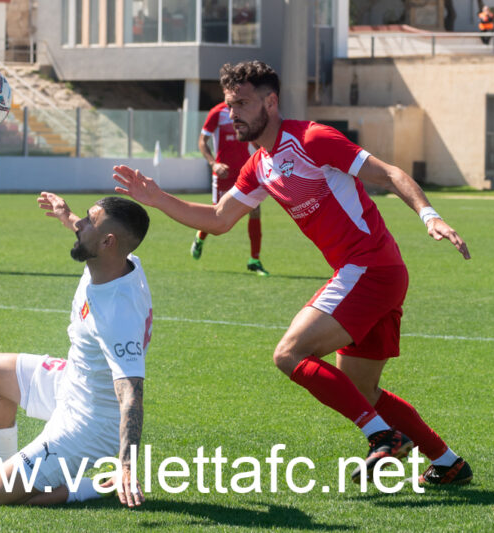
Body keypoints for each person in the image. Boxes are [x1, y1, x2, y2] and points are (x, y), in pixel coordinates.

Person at [112, 61, 474, 486]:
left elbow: (389, 174)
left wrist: (429, 215)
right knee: (363, 391)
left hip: (370, 269)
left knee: (288, 354)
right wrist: (156, 197)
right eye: (229, 105)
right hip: (372, 273)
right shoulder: (259, 165)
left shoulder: (313, 138)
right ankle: (447, 462)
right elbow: (217, 219)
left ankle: (381, 436)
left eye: (243, 103)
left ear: (271, 101)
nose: (233, 114)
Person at [0, 193, 151, 507]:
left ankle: (99, 484)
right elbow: (95, 233)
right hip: (72, 380)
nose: (81, 225)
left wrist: (127, 464)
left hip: (91, 421)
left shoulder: (118, 311)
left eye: (89, 221)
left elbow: (131, 394)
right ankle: (2, 466)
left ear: (108, 242)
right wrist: (67, 216)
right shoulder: (118, 261)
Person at [195, 101, 268, 276]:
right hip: (223, 173)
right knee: (216, 216)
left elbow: (255, 140)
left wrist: (268, 155)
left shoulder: (248, 110)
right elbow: (202, 142)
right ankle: (200, 237)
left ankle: (254, 260)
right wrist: (214, 164)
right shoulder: (217, 112)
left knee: (255, 210)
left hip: (246, 171)